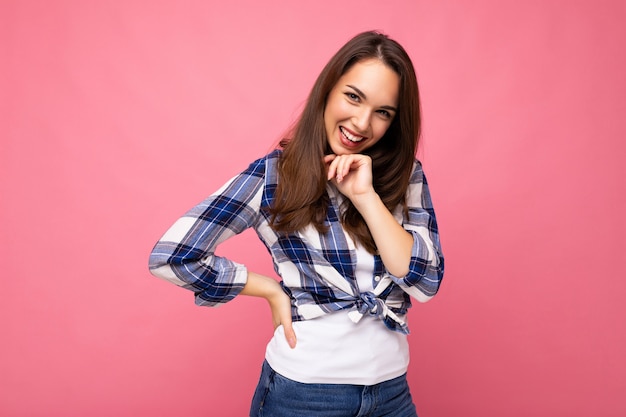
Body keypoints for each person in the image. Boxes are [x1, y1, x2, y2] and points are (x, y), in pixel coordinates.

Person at [149, 30, 444, 417]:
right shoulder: (274, 175)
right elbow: (173, 255)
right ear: (327, 91)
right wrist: (271, 290)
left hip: (391, 394)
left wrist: (366, 198)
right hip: (305, 396)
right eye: (353, 97)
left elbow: (424, 284)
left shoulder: (406, 177)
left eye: (383, 112)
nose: (362, 122)